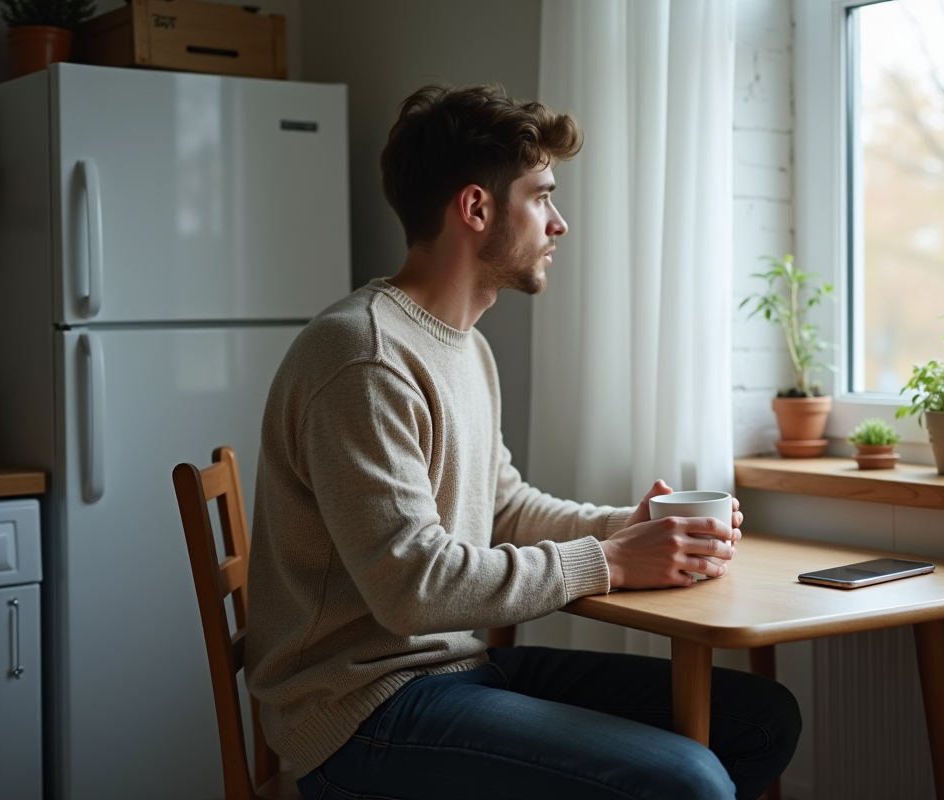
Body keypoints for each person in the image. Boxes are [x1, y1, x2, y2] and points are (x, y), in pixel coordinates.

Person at [246, 84, 801, 800]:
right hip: (362, 709)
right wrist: (608, 562)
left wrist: (632, 531)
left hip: (456, 671)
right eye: (541, 196)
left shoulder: (464, 347)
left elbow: (502, 509)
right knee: (688, 784)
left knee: (760, 720)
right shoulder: (365, 357)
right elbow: (412, 589)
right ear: (476, 209)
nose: (559, 223)